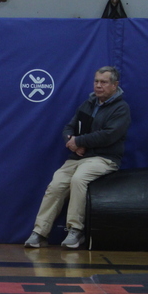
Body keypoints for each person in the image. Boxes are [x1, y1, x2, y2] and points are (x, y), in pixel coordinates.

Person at [24, 66, 129, 250]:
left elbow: (109, 135)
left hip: (105, 158)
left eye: (103, 82)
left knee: (79, 179)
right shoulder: (88, 104)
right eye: (96, 81)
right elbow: (68, 128)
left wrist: (80, 141)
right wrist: (71, 141)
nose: (98, 86)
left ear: (115, 85)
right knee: (56, 184)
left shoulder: (121, 108)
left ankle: (75, 230)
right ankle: (40, 233)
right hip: (78, 156)